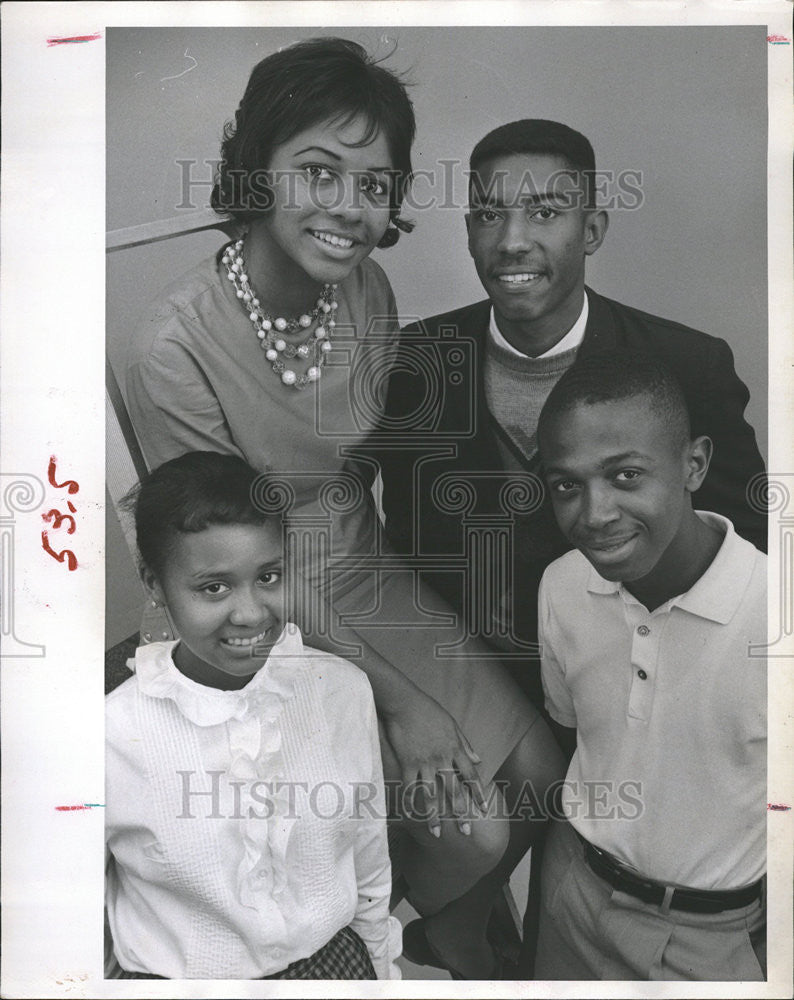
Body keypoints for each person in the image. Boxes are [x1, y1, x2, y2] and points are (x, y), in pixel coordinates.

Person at [124, 39, 564, 979]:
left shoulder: (364, 287)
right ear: (258, 170)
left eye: (374, 184)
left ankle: (436, 927)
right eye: (318, 172)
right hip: (271, 613)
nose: (348, 209)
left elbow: (377, 471)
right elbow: (224, 563)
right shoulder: (171, 346)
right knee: (477, 832)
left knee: (541, 777)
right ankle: (389, 944)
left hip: (372, 573)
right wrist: (401, 704)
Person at [380, 118, 767, 708]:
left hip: (639, 688)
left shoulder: (687, 364)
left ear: (591, 230)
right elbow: (387, 548)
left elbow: (750, 547)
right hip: (463, 698)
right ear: (467, 232)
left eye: (544, 212)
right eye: (489, 214)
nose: (512, 241)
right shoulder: (414, 361)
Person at [105, 451, 400, 979]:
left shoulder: (343, 693)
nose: (250, 613)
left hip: (334, 970)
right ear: (154, 584)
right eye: (213, 587)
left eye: (268, 576)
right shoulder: (106, 738)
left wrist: (379, 973)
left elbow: (368, 858)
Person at [532, 354, 766, 981]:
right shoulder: (561, 585)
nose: (594, 513)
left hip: (711, 937)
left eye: (626, 475)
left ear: (695, 464)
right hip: (572, 895)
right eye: (566, 486)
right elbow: (575, 730)